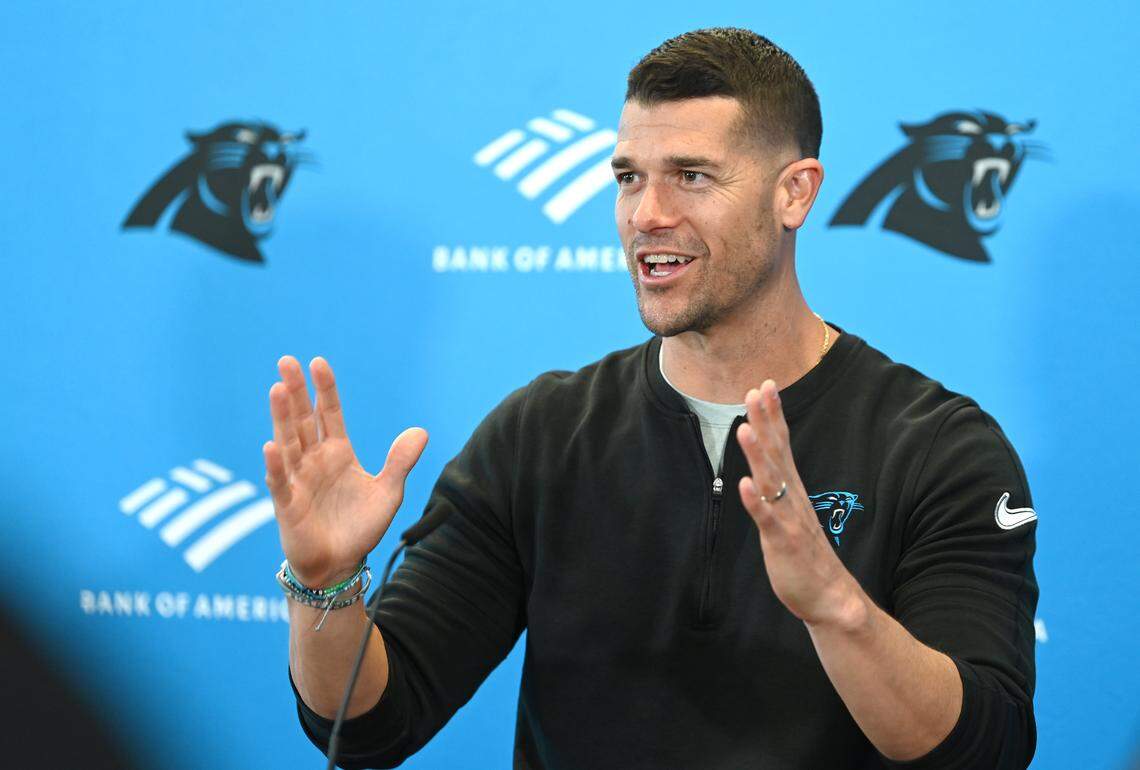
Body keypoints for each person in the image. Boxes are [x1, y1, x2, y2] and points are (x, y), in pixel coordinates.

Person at [265, 27, 1038, 770]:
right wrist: (326, 586)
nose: (646, 215)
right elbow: (370, 725)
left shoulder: (939, 447)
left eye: (692, 176)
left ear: (794, 194)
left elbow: (982, 746)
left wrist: (838, 607)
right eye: (629, 177)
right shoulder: (541, 435)